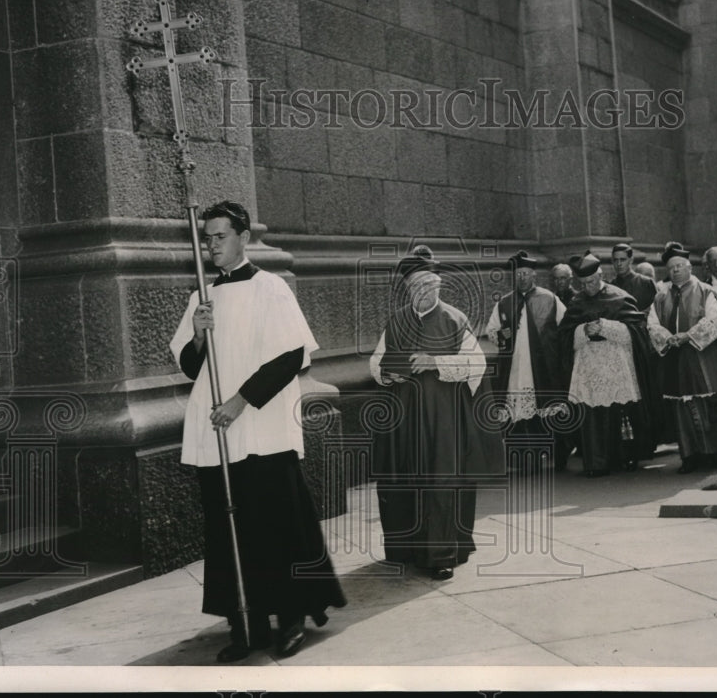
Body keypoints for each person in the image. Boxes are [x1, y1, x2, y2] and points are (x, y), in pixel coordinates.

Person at [169, 201, 346, 663]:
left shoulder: (271, 289)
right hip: (218, 434)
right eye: (207, 238)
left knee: (276, 523)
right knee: (229, 528)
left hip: (261, 424)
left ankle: (290, 617)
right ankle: (245, 621)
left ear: (243, 237)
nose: (211, 245)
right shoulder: (201, 298)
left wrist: (239, 401)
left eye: (220, 236)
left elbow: (290, 357)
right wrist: (200, 337)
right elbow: (191, 367)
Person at [369, 249, 504, 580]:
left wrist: (436, 362)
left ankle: (441, 555)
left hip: (443, 419)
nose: (424, 291)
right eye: (416, 286)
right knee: (404, 479)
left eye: (430, 285)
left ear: (439, 286)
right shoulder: (397, 320)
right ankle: (405, 549)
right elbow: (375, 362)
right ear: (408, 289)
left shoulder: (454, 319)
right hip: (405, 419)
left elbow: (478, 365)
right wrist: (388, 375)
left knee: (441, 482)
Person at [647, 242, 717, 473]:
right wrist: (669, 338)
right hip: (676, 360)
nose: (676, 271)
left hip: (704, 356)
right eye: (672, 268)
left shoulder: (704, 291)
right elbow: (652, 324)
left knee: (710, 404)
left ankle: (713, 453)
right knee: (682, 407)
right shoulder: (661, 297)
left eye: (680, 266)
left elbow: (715, 321)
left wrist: (688, 337)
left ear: (690, 268)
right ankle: (689, 455)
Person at [558, 251, 661, 476]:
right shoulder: (577, 303)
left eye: (593, 281)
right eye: (584, 283)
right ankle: (597, 462)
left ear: (601, 275)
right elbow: (564, 336)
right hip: (589, 368)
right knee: (593, 416)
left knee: (621, 411)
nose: (589, 286)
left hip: (617, 366)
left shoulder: (620, 297)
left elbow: (637, 331)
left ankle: (627, 457)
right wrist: (583, 330)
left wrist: (606, 327)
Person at [485, 251, 569, 471]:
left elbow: (565, 327)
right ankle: (521, 458)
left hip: (543, 367)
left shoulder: (550, 299)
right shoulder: (504, 303)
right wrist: (504, 334)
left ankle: (548, 455)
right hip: (514, 366)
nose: (522, 277)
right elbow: (492, 331)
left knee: (544, 407)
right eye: (518, 274)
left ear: (534, 275)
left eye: (526, 273)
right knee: (517, 410)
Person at [610, 243, 657, 312]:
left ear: (631, 260)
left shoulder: (646, 283)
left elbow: (655, 312)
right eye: (615, 260)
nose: (619, 264)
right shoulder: (611, 286)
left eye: (622, 260)